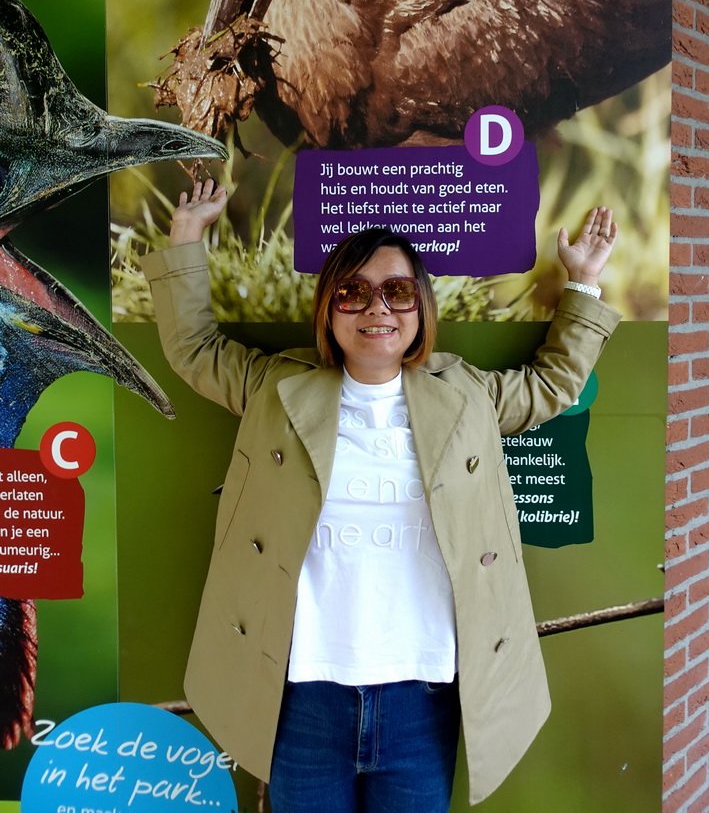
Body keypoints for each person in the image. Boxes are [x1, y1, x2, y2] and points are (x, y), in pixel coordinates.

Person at [140, 180, 621, 811]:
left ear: (420, 307)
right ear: (328, 309)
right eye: (353, 292)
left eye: (396, 291)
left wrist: (582, 282)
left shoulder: (464, 395)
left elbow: (552, 384)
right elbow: (195, 349)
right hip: (301, 695)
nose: (377, 309)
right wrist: (185, 239)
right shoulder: (275, 389)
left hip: (422, 697)